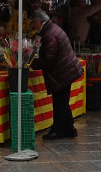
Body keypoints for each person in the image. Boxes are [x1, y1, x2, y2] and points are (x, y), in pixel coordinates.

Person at [30, 9, 81, 139]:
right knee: (62, 101)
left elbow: (49, 59)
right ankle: (69, 129)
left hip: (62, 72)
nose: (32, 25)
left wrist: (31, 63)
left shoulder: (49, 35)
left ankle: (57, 131)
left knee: (59, 102)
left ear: (39, 21)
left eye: (33, 22)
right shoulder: (51, 29)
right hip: (64, 70)